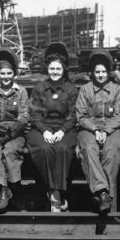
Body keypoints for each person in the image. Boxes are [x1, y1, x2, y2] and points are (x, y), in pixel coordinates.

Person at [27, 42, 78, 212]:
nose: (55, 72)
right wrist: (45, 131)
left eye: (58, 69)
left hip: (65, 128)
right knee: (44, 148)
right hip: (42, 128)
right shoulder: (39, 88)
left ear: (63, 69)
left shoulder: (70, 89)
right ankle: (55, 193)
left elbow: (73, 115)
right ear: (47, 69)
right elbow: (34, 114)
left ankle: (55, 193)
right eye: (51, 69)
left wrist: (62, 131)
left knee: (63, 148)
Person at [76, 49, 120, 214]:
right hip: (89, 128)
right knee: (88, 149)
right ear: (92, 73)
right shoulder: (85, 90)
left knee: (112, 153)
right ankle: (102, 193)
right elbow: (81, 116)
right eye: (97, 72)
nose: (101, 75)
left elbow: (119, 116)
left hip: (112, 129)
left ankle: (108, 203)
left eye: (104, 71)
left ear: (109, 72)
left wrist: (106, 130)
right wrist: (96, 130)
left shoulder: (117, 90)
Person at [0, 49, 29, 212]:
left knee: (10, 150)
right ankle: (2, 190)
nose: (6, 77)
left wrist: (11, 133)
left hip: (15, 132)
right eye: (3, 73)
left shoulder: (20, 92)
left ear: (14, 74)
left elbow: (24, 117)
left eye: (9, 73)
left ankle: (14, 188)